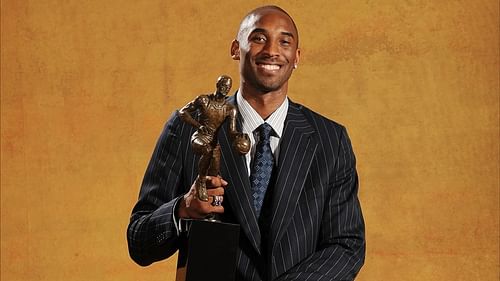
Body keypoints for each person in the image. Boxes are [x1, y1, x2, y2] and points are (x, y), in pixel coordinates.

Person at [127, 5, 365, 281]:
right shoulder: (187, 126)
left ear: (296, 57)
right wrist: (182, 209)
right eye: (258, 38)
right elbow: (139, 241)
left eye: (284, 41)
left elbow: (347, 246)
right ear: (236, 49)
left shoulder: (330, 140)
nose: (272, 51)